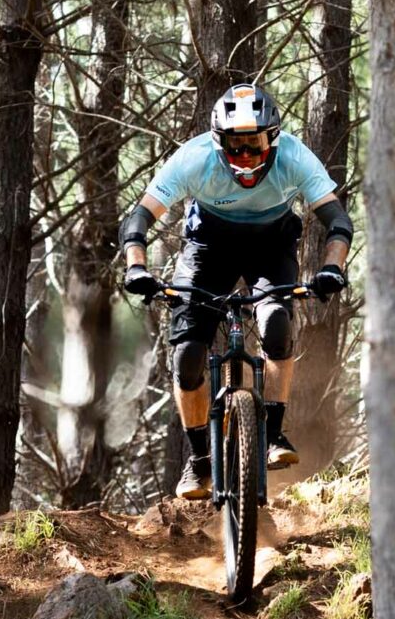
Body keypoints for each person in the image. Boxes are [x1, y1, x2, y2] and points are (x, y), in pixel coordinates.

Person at [119, 82, 352, 501]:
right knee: (188, 354)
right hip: (209, 250)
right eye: (234, 145)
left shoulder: (296, 157)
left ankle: (273, 436)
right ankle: (199, 460)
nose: (244, 156)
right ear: (216, 142)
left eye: (254, 144)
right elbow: (138, 219)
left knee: (277, 324)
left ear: (274, 139)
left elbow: (338, 222)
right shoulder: (193, 159)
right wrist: (136, 267)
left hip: (270, 248)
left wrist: (332, 267)